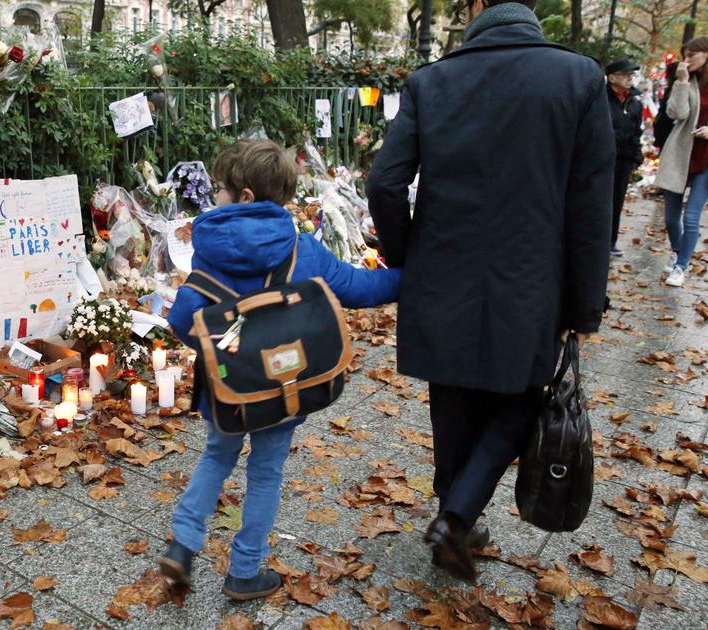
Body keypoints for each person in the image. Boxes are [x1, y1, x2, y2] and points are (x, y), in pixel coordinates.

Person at [365, 0, 612, 583]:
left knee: (450, 399)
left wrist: (406, 254)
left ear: (477, 20)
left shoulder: (431, 80)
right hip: (531, 278)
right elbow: (591, 204)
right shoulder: (579, 78)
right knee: (520, 400)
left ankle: (457, 513)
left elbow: (384, 181)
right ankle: (456, 517)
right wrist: (585, 302)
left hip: (442, 270)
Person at [161, 139, 401, 600]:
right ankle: (244, 572)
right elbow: (359, 287)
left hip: (230, 390)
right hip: (286, 387)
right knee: (266, 474)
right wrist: (415, 275)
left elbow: (181, 318)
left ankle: (184, 543)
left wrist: (227, 349)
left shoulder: (211, 250)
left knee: (216, 457)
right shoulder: (302, 250)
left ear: (244, 196)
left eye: (221, 190)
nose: (216, 198)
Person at [655, 37, 708, 288]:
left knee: (692, 217)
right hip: (679, 155)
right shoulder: (684, 80)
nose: (686, 61)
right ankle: (677, 250)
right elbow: (677, 113)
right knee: (671, 218)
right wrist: (682, 82)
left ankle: (681, 266)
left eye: (691, 56)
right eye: (684, 56)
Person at [605, 59, 644, 257]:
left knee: (617, 200)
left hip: (623, 160)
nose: (630, 78)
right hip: (602, 158)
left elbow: (637, 131)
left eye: (632, 75)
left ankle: (611, 241)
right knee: (600, 200)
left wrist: (637, 156)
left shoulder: (634, 103)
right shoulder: (601, 99)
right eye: (625, 74)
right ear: (612, 78)